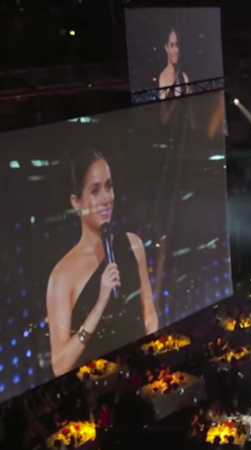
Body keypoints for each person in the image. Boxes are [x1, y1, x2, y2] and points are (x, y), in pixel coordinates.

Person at [47, 150, 158, 376]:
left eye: (109, 186)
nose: (107, 198)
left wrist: (152, 359)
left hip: (142, 372)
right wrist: (100, 304)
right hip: (97, 386)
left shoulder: (133, 245)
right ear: (76, 203)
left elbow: (149, 313)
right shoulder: (62, 276)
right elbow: (59, 365)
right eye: (95, 190)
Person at [158, 26, 191, 100]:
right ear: (166, 47)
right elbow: (162, 106)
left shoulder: (184, 78)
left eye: (177, 45)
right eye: (172, 45)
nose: (176, 50)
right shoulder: (163, 77)